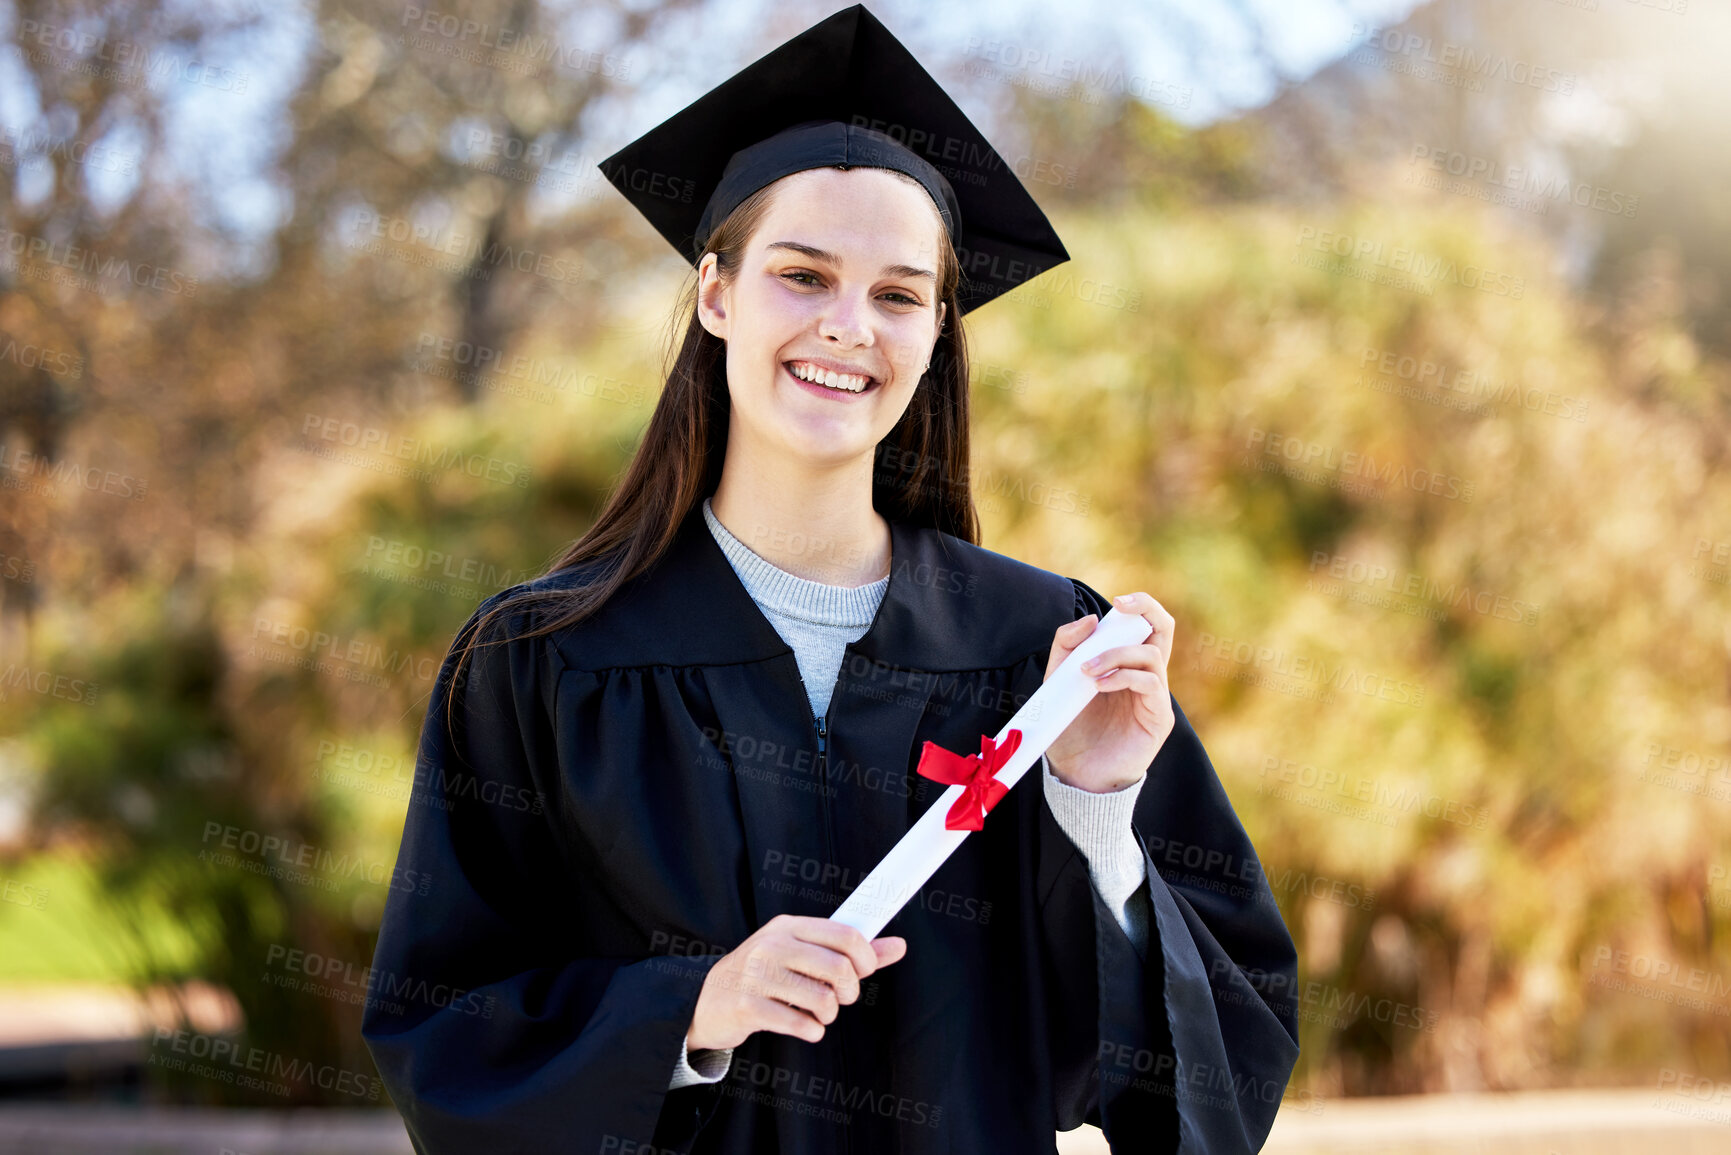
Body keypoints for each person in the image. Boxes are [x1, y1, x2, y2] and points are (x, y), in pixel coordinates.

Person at [360, 6, 1298, 1153]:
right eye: (803, 275)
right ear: (716, 295)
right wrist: (691, 1011)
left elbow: (1205, 1077)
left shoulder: (1042, 651)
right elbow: (440, 1021)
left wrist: (1095, 811)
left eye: (900, 294)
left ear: (938, 326)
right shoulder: (548, 658)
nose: (848, 327)